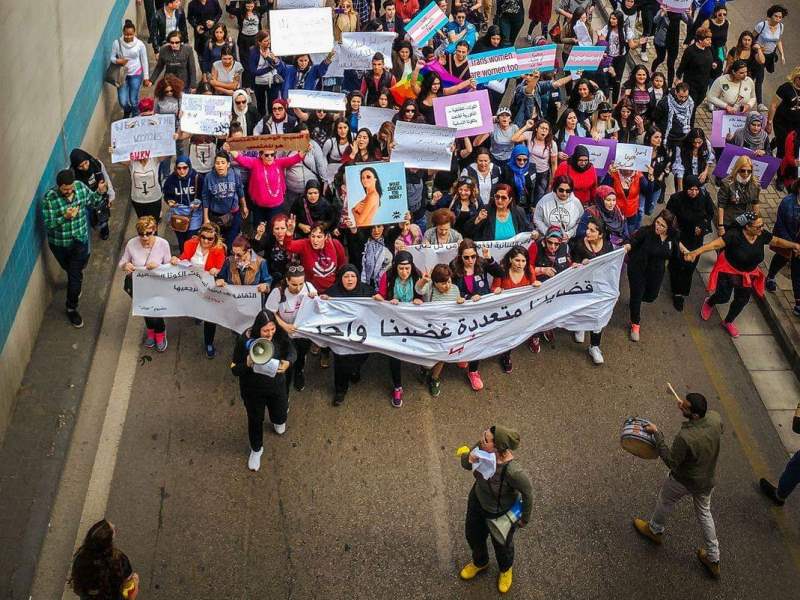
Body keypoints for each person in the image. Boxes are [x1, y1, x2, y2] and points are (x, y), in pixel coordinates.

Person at [632, 392, 723, 579]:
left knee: (665, 500)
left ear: (695, 415)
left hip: (683, 480)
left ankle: (655, 530)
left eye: (685, 406)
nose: (681, 405)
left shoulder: (686, 436)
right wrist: (687, 407)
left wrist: (657, 434)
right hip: (707, 479)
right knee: (705, 514)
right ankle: (713, 558)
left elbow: (672, 461)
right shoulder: (715, 418)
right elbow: (717, 429)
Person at [685, 212, 800, 338]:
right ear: (747, 227)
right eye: (758, 227)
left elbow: (776, 241)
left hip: (748, 276)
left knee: (742, 301)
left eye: (762, 225)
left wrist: (794, 245)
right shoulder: (734, 235)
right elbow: (714, 245)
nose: (761, 228)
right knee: (723, 297)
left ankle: (728, 321)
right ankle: (710, 302)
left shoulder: (761, 235)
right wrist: (695, 252)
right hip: (729, 272)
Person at [459, 425, 533, 595]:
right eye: (483, 435)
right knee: (473, 534)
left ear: (498, 447)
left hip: (499, 512)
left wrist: (525, 518)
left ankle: (506, 570)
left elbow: (528, 493)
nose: (481, 439)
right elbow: (465, 464)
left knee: (502, 545)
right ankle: (480, 562)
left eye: (486, 439)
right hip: (477, 500)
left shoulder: (513, 471)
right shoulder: (480, 447)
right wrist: (468, 459)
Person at [231, 310, 295, 471]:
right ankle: (256, 449)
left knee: (280, 415)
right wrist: (246, 364)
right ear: (258, 329)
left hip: (277, 387)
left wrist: (288, 362)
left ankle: (278, 420)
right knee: (255, 420)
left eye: (272, 329)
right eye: (265, 330)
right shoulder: (244, 340)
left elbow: (292, 351)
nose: (270, 333)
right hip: (253, 391)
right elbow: (234, 369)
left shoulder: (280, 335)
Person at [42, 170, 107, 328]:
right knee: (69, 269)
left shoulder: (79, 187)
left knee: (75, 276)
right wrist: (65, 217)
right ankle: (74, 281)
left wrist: (99, 192)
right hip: (60, 244)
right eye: (65, 189)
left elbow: (93, 202)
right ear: (59, 187)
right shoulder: (50, 198)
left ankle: (71, 308)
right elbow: (49, 223)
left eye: (70, 188)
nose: (69, 191)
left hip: (79, 240)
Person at [373, 251, 425, 406]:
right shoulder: (387, 277)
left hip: (413, 322)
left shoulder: (418, 275)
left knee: (422, 347)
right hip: (393, 323)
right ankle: (397, 386)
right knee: (394, 354)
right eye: (401, 268)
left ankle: (424, 369)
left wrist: (419, 299)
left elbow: (422, 294)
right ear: (395, 267)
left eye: (407, 268)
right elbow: (381, 295)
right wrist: (384, 299)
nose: (404, 272)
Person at [319, 265, 374, 406]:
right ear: (340, 278)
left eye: (353, 276)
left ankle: (355, 370)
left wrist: (379, 300)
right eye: (346, 276)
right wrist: (321, 300)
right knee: (341, 362)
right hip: (341, 336)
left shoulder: (367, 291)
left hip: (362, 334)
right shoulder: (332, 292)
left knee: (360, 356)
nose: (350, 280)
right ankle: (340, 391)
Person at [171, 222, 227, 356]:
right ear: (199, 235)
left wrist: (217, 270)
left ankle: (209, 343)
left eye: (210, 238)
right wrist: (176, 259)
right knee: (196, 306)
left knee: (210, 317)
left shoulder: (219, 250)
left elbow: (222, 268)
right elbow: (184, 258)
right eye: (203, 237)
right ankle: (197, 315)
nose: (206, 241)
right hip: (193, 285)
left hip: (209, 287)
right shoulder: (190, 244)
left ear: (216, 238)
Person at [626, 211, 681, 341]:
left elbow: (675, 254)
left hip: (656, 272)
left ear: (669, 228)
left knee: (651, 297)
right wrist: (628, 246)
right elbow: (633, 241)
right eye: (657, 222)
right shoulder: (646, 231)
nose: (658, 227)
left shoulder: (672, 239)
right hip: (638, 269)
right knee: (637, 296)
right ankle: (635, 323)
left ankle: (635, 301)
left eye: (662, 226)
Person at [119, 216, 172, 351]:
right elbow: (122, 262)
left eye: (148, 233)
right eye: (141, 234)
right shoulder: (132, 243)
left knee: (155, 311)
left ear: (154, 230)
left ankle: (160, 333)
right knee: (145, 310)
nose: (144, 237)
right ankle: (150, 331)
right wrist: (126, 265)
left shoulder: (163, 244)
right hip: (138, 284)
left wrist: (158, 267)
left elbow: (170, 266)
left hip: (157, 284)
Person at [414, 264, 466, 397]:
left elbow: (458, 311)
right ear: (435, 283)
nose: (447, 286)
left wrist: (461, 303)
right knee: (428, 357)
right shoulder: (429, 288)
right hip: (430, 330)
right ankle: (425, 369)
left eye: (448, 281)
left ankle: (435, 378)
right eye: (442, 283)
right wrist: (424, 280)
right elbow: (418, 290)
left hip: (447, 331)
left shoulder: (455, 289)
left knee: (442, 355)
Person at [569, 217, 616, 364]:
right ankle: (580, 327)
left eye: (592, 230)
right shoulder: (579, 244)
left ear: (600, 234)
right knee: (581, 309)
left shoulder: (608, 246)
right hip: (582, 287)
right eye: (587, 229)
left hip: (600, 288)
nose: (587, 232)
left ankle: (594, 346)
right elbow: (573, 265)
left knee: (598, 316)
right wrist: (579, 265)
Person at [666, 175, 715, 311]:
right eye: (690, 189)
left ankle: (682, 292)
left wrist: (703, 226)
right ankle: (676, 292)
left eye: (696, 189)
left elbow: (710, 214)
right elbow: (668, 216)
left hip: (695, 239)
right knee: (677, 264)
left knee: (689, 266)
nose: (694, 192)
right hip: (680, 237)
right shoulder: (676, 199)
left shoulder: (704, 198)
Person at [265, 265, 318, 392]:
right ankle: (285, 378)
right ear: (287, 280)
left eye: (301, 283)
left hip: (303, 332)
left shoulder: (309, 287)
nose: (298, 288)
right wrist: (284, 326)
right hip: (285, 332)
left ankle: (299, 372)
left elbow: (318, 308)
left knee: (301, 354)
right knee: (286, 355)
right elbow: (270, 312)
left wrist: (315, 298)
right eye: (294, 284)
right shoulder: (278, 292)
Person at [491, 247, 539, 373]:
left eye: (524, 261)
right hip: (505, 311)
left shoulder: (529, 270)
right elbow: (494, 288)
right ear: (510, 259)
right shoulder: (502, 271)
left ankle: (531, 338)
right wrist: (496, 291)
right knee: (508, 333)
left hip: (523, 309)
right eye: (517, 260)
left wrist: (537, 285)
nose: (520, 264)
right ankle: (506, 355)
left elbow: (534, 284)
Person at [229, 146, 304, 225]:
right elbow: (240, 158)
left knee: (273, 230)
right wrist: (229, 147)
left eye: (272, 154)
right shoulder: (255, 162)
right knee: (259, 230)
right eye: (266, 155)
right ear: (261, 155)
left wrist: (305, 148)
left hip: (276, 206)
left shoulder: (279, 162)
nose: (270, 157)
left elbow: (296, 158)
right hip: (259, 207)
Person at [70, 519, 138, 600]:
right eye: (112, 530)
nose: (114, 525)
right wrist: (135, 582)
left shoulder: (80, 559)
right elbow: (129, 587)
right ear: (108, 542)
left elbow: (77, 586)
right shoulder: (119, 561)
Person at [765, 181, 800, 314]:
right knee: (781, 259)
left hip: (799, 245)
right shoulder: (787, 202)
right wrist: (791, 244)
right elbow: (780, 223)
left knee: (797, 272)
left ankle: (797, 302)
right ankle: (771, 276)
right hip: (785, 238)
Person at [202, 151, 247, 249]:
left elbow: (240, 190)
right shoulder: (209, 177)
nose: (220, 166)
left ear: (228, 164)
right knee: (217, 244)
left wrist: (244, 206)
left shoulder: (235, 174)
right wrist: (206, 218)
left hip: (233, 214)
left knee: (231, 242)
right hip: (216, 216)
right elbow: (205, 197)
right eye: (217, 163)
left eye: (223, 163)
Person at [70, 148, 114, 240]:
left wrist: (110, 195)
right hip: (86, 201)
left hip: (101, 196)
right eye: (80, 166)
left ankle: (104, 230)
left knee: (103, 217)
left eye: (86, 163)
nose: (85, 167)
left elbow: (106, 178)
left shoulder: (96, 164)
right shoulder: (73, 176)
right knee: (90, 219)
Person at [110, 20, 151, 118]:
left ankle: (136, 115)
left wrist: (146, 77)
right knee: (123, 101)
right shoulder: (117, 43)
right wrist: (118, 61)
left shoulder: (140, 45)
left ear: (134, 33)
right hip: (122, 76)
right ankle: (127, 110)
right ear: (123, 32)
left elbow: (144, 61)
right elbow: (112, 58)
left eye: (130, 34)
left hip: (136, 74)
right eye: (126, 34)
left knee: (133, 99)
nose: (128, 36)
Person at [752, 5, 788, 110]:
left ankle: (744, 93)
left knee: (752, 77)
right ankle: (760, 104)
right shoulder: (762, 25)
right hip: (758, 55)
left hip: (770, 56)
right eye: (775, 16)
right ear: (770, 16)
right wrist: (757, 47)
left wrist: (782, 55)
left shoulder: (781, 27)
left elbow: (778, 41)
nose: (778, 19)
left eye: (780, 17)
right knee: (760, 78)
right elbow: (752, 37)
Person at [464, 184, 530, 241]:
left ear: (510, 200)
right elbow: (467, 230)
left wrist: (534, 233)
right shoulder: (486, 210)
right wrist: (478, 219)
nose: (499, 200)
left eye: (503, 198)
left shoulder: (518, 211)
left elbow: (528, 229)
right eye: (497, 197)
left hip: (514, 253)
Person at [676, 27, 715, 123]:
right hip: (691, 84)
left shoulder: (709, 49)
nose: (710, 41)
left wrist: (714, 64)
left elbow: (713, 59)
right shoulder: (690, 51)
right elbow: (682, 66)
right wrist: (678, 78)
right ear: (700, 40)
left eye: (710, 39)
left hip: (703, 85)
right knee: (692, 108)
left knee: (696, 103)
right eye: (707, 39)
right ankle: (689, 127)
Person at [716, 156, 760, 235]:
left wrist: (755, 220)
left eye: (749, 171)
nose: (746, 174)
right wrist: (721, 226)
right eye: (743, 171)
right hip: (730, 221)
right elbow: (721, 206)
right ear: (737, 169)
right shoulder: (727, 184)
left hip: (746, 219)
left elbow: (755, 203)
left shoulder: (755, 184)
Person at [533, 175, 583, 239]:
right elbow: (537, 219)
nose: (564, 193)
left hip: (569, 240)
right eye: (561, 190)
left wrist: (569, 234)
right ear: (555, 188)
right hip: (548, 239)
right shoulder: (544, 200)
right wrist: (548, 232)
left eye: (568, 191)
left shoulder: (576, 203)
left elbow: (581, 222)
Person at [767, 66, 800, 162]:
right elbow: (773, 105)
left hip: (797, 123)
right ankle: (779, 172)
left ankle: (775, 142)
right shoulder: (785, 88)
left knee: (794, 146)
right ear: (795, 77)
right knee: (783, 148)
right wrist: (769, 122)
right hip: (782, 123)